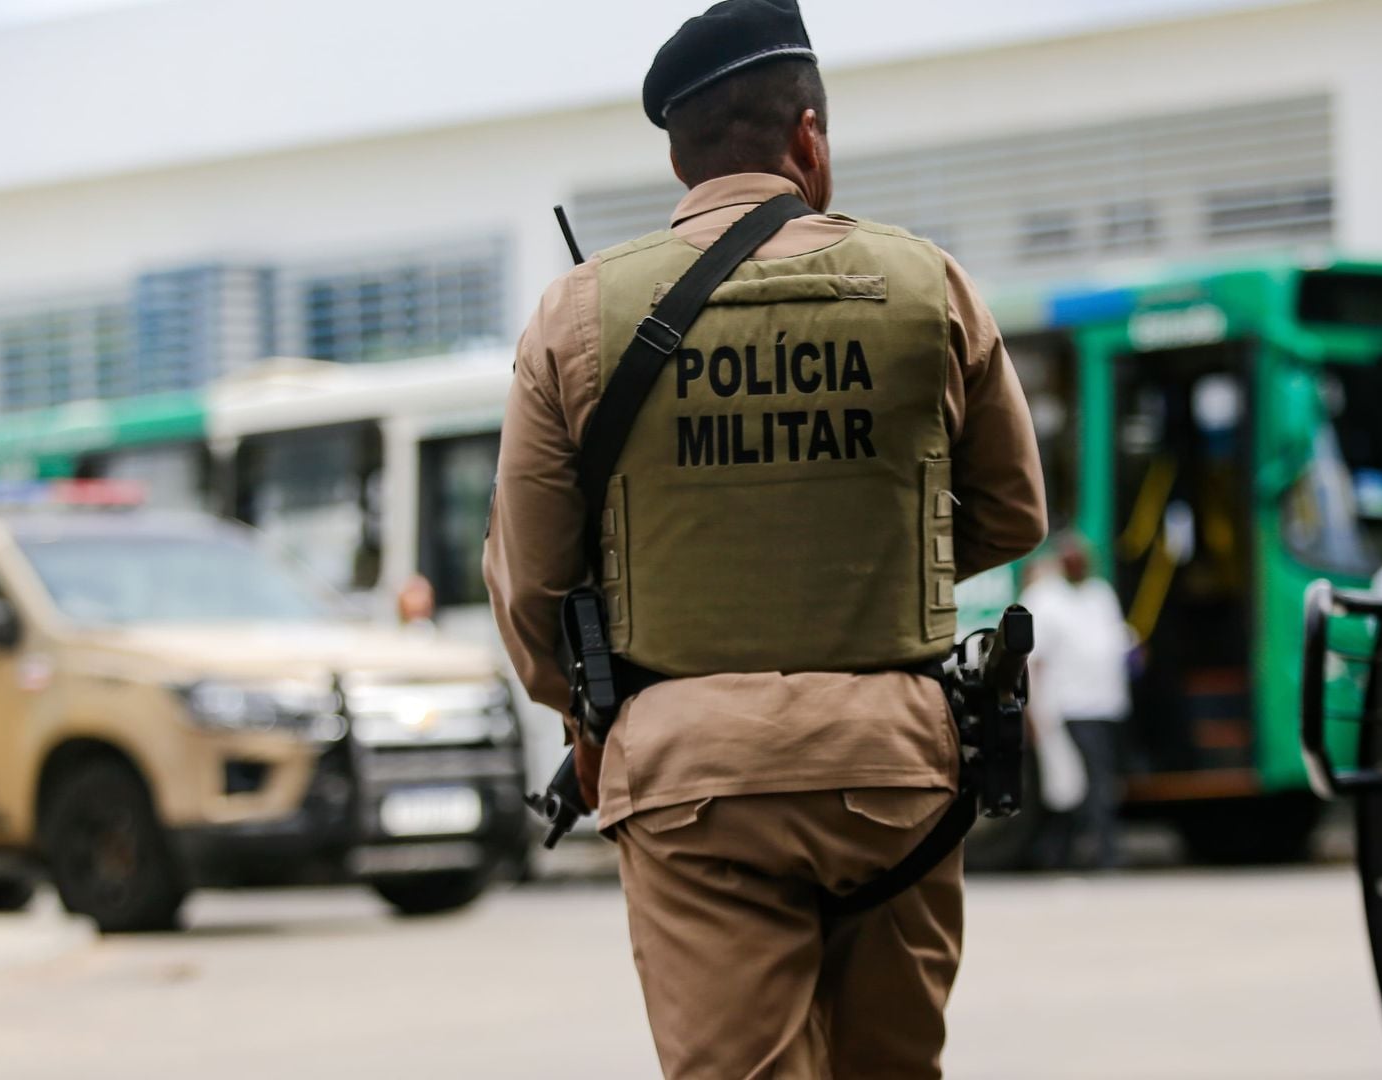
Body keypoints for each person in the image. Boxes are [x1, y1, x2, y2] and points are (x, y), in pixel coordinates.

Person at [482, 1, 1047, 1075]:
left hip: (689, 779)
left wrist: (582, 715)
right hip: (896, 769)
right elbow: (1012, 511)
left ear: (679, 158)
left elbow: (531, 582)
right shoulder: (928, 286)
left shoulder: (576, 316)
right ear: (809, 137)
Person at [1020, 537, 1135, 870]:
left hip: (1106, 705)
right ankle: (1104, 853)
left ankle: (1057, 855)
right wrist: (1033, 711)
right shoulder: (1045, 598)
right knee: (1081, 781)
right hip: (1069, 706)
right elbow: (1034, 661)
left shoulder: (1100, 594)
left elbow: (1116, 640)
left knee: (1085, 782)